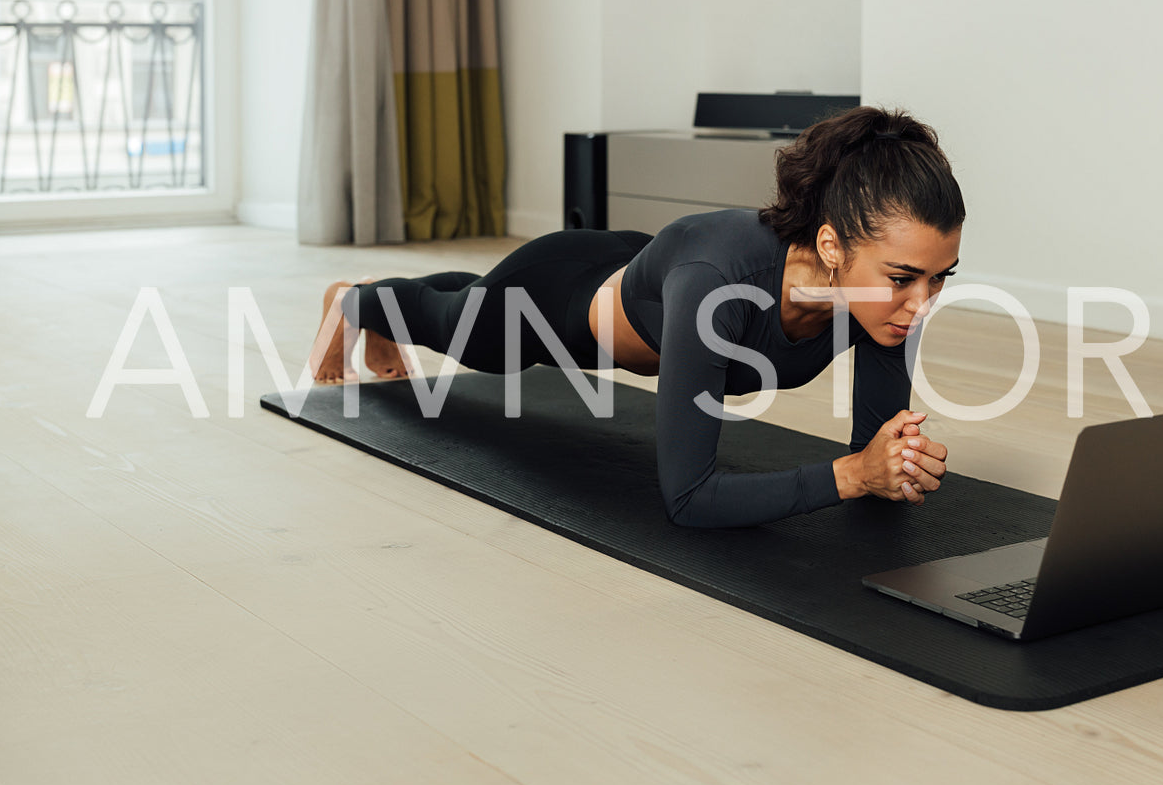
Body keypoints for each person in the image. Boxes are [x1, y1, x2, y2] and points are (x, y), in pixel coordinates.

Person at [307, 105, 965, 529]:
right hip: (555, 298)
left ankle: (380, 298)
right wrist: (854, 474)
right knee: (464, 330)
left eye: (940, 277)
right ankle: (355, 300)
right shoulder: (719, 288)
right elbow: (690, 497)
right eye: (905, 279)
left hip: (646, 272)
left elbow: (875, 452)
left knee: (469, 297)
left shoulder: (881, 298)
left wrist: (891, 464)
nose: (921, 301)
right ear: (830, 245)